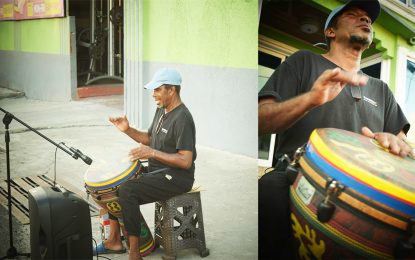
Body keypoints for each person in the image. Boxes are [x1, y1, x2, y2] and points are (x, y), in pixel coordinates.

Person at [258, 0, 414, 259]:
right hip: (295, 179)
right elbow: (260, 120)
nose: (364, 19)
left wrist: (393, 145)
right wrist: (311, 99)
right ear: (330, 31)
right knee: (268, 193)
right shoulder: (303, 62)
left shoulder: (381, 90)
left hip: (362, 199)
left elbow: (402, 149)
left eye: (368, 19)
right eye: (353, 15)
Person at [95, 68, 196, 260]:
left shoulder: (183, 118)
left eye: (157, 90)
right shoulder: (162, 110)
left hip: (177, 177)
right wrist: (127, 130)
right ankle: (114, 241)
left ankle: (135, 253)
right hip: (158, 170)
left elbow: (185, 160)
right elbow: (149, 138)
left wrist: (151, 153)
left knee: (127, 190)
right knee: (113, 183)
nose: (153, 94)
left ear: (171, 90)